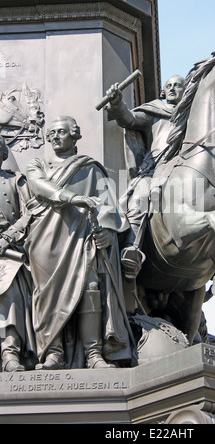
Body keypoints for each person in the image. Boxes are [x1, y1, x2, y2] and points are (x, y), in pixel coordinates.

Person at [24, 116, 131, 370]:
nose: (55, 137)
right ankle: (53, 353)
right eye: (51, 133)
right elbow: (39, 188)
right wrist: (74, 198)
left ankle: (93, 354)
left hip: (82, 239)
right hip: (45, 240)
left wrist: (108, 233)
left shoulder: (91, 168)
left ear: (75, 136)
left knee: (90, 288)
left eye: (61, 132)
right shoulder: (38, 163)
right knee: (48, 294)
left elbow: (109, 209)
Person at [105, 75, 185, 278]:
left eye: (178, 85)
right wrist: (117, 103)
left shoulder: (195, 114)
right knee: (140, 195)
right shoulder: (155, 113)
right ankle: (131, 247)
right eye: (169, 86)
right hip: (157, 169)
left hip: (186, 169)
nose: (173, 88)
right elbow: (129, 119)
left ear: (187, 90)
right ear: (163, 92)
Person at [0, 136, 36, 372]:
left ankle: (9, 352)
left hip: (9, 251)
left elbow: (32, 210)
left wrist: (9, 236)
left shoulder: (15, 181)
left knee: (9, 287)